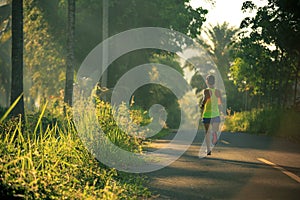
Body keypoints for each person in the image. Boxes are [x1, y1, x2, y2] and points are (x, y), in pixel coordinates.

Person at [200, 74, 223, 156]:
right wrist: (221, 112)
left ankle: (208, 150)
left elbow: (204, 101)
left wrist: (201, 106)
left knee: (207, 133)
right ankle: (214, 134)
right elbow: (220, 103)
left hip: (207, 115)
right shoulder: (218, 91)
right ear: (214, 82)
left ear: (207, 82)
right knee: (214, 130)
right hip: (216, 114)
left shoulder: (206, 91)